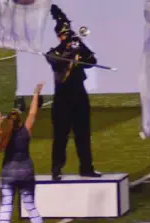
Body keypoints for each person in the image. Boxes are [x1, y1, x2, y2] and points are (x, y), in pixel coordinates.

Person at [0, 83, 47, 223]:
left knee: (6, 207)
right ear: (20, 121)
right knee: (30, 205)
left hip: (8, 174)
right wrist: (35, 94)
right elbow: (34, 112)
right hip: (27, 171)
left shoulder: (5, 135)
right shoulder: (26, 130)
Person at [46, 4, 101, 181]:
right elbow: (56, 61)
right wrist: (71, 51)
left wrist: (80, 52)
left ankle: (86, 168)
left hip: (79, 96)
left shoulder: (78, 47)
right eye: (65, 34)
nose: (68, 36)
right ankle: (56, 169)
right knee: (60, 136)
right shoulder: (54, 52)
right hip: (62, 99)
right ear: (59, 36)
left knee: (83, 134)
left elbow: (92, 60)